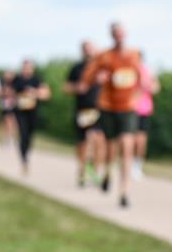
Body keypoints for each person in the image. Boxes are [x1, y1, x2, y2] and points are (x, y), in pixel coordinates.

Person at [81, 22, 143, 208]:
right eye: (115, 34)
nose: (119, 37)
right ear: (111, 35)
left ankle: (124, 192)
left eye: (121, 33)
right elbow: (87, 79)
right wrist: (98, 78)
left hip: (127, 108)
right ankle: (108, 171)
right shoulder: (104, 56)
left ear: (126, 35)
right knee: (111, 147)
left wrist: (138, 95)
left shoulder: (133, 55)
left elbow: (142, 78)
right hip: (108, 106)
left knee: (127, 145)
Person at [65, 41, 106, 187]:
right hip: (83, 110)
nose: (89, 52)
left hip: (100, 109)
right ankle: (82, 170)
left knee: (100, 140)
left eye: (91, 49)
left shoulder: (101, 67)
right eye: (86, 50)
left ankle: (96, 171)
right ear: (82, 51)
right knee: (82, 142)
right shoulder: (76, 68)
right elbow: (66, 87)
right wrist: (77, 88)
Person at [12, 59, 51, 174]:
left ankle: (26, 153)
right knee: (23, 134)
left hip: (32, 112)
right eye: (25, 67)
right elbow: (8, 93)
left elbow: (46, 94)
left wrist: (35, 92)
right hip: (20, 112)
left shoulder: (37, 80)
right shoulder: (17, 80)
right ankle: (24, 160)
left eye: (29, 67)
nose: (26, 69)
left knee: (30, 135)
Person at [133, 51, 160, 180]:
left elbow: (156, 88)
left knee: (141, 140)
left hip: (143, 109)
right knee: (128, 140)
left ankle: (137, 167)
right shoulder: (129, 70)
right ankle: (128, 164)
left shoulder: (148, 71)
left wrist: (147, 86)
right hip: (129, 108)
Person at [0, 71, 18, 148]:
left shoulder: (15, 84)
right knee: (7, 122)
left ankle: (11, 138)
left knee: (13, 122)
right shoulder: (3, 83)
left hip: (13, 105)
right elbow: (3, 93)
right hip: (5, 105)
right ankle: (7, 138)